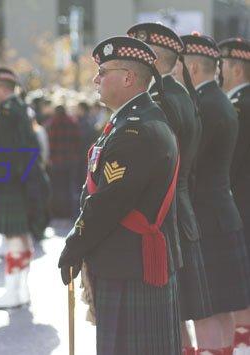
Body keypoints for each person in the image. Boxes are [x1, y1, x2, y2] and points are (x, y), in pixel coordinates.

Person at [58, 36, 182, 354]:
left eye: (103, 71)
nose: (96, 79)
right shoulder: (128, 122)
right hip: (124, 260)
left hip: (131, 265)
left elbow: (109, 202)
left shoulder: (136, 129)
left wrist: (75, 245)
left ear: (127, 78)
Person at [127, 23, 213, 355]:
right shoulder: (179, 94)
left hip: (162, 216)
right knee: (174, 321)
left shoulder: (160, 99)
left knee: (164, 324)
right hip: (177, 211)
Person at [175, 32, 250, 354]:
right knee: (220, 309)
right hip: (222, 210)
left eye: (178, 66)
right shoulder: (217, 101)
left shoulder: (206, 105)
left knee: (207, 310)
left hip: (207, 214)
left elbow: (189, 166)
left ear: (191, 67)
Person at [0, 67, 40, 310]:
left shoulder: (7, 113)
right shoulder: (18, 109)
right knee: (21, 235)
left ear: (1, 89)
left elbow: (7, 153)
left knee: (14, 236)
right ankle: (20, 289)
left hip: (10, 183)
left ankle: (13, 291)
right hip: (20, 181)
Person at [219, 37, 250, 350]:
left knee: (242, 287)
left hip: (242, 205)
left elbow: (227, 165)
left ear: (237, 71)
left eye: (224, 66)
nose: (221, 72)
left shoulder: (238, 108)